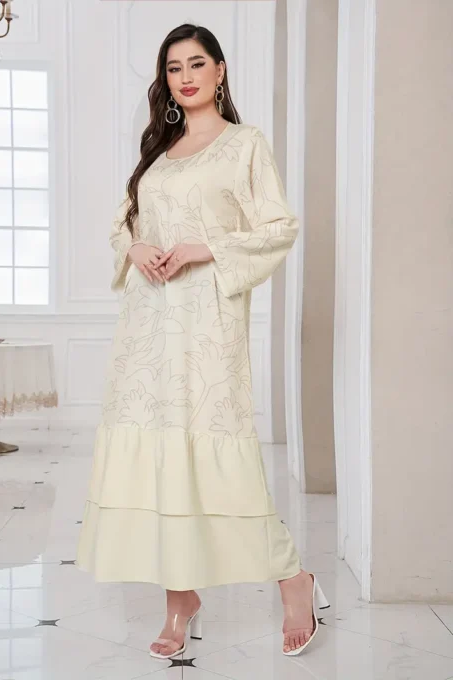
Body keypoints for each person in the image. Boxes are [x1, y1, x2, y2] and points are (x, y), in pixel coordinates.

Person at [76, 22, 328, 659]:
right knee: (160, 457)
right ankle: (179, 597)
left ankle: (293, 578)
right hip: (147, 328)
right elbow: (123, 223)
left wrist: (203, 247)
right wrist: (135, 247)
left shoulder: (245, 145)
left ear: (219, 70)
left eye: (196, 64)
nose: (184, 77)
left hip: (208, 325)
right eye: (173, 68)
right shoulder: (158, 150)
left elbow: (278, 226)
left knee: (219, 456)